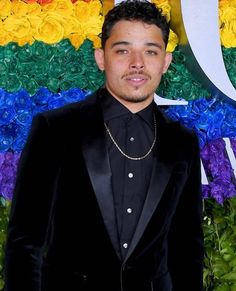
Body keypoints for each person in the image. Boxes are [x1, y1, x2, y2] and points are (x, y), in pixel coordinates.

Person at [4, 1, 204, 290]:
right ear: (101, 58)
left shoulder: (182, 141)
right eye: (123, 50)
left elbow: (187, 250)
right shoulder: (55, 129)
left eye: (150, 51)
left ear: (165, 61)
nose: (137, 63)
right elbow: (25, 242)